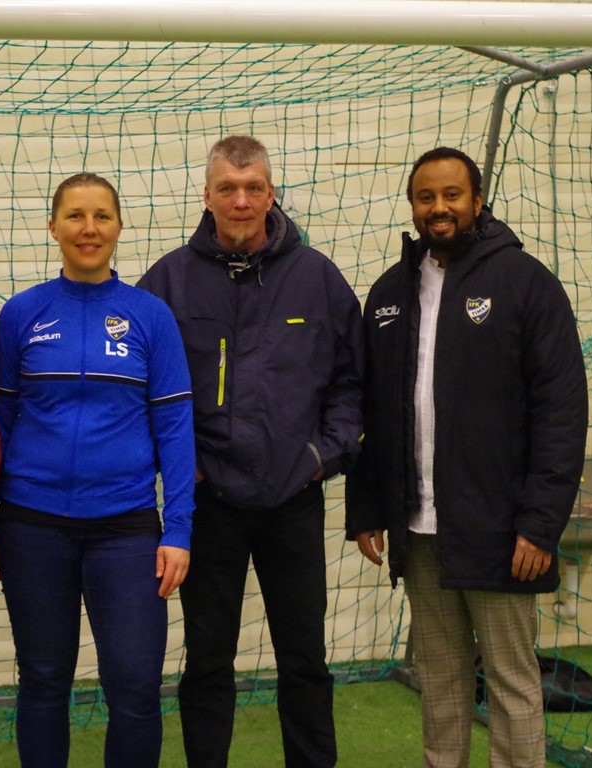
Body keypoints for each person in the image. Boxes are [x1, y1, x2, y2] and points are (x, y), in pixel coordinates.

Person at [346, 146, 588, 768]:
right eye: (426, 197)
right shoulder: (390, 293)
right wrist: (369, 507)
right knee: (442, 679)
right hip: (419, 530)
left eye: (452, 195)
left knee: (510, 679)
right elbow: (373, 410)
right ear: (413, 205)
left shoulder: (527, 283)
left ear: (477, 201)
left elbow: (561, 414)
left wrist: (540, 523)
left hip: (502, 530)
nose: (439, 208)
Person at [138, 136, 363, 768]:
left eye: (254, 188)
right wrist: (184, 471)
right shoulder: (166, 284)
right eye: (227, 189)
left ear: (271, 192)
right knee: (207, 660)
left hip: (294, 496)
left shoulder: (316, 276)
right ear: (205, 195)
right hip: (208, 503)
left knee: (304, 659)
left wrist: (323, 455)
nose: (241, 201)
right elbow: (140, 394)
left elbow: (352, 382)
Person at [0, 172, 194, 768]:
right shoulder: (22, 314)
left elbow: (175, 431)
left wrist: (177, 530)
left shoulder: (150, 317)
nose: (89, 228)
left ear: (120, 227)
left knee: (134, 686)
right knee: (44, 682)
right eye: (75, 215)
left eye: (102, 215)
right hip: (31, 526)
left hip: (125, 528)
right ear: (53, 227)